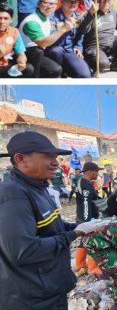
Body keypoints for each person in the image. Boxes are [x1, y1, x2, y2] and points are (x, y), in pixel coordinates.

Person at [0, 131, 104, 310]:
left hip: (51, 289)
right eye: (48, 156)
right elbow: (23, 251)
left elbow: (51, 225)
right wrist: (75, 233)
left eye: (56, 157)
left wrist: (81, 226)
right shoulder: (13, 194)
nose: (56, 162)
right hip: (32, 298)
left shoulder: (39, 187)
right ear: (20, 159)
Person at [20, 0, 68, 77]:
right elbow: (42, 43)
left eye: (53, 4)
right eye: (46, 3)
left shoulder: (47, 18)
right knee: (38, 52)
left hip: (39, 52)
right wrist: (63, 29)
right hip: (24, 54)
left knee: (56, 70)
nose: (50, 6)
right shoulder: (32, 21)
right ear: (38, 4)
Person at [46, 0, 92, 78]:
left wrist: (78, 46)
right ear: (62, 2)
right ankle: (57, 74)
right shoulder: (52, 17)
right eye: (70, 1)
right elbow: (49, 38)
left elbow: (81, 33)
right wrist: (64, 28)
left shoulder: (78, 16)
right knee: (56, 51)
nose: (73, 4)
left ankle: (66, 70)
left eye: (76, 1)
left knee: (85, 75)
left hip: (69, 50)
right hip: (54, 50)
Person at [0, 5, 33, 77]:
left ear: (11, 20)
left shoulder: (14, 32)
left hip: (5, 65)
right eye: (0, 18)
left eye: (5, 18)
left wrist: (21, 62)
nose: (2, 21)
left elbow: (21, 54)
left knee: (28, 68)